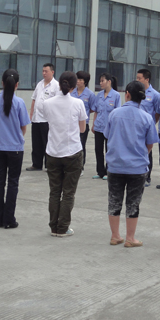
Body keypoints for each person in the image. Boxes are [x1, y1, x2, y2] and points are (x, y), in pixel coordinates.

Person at [104, 81, 158, 248]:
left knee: (114, 201)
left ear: (127, 94)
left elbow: (107, 135)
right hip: (137, 167)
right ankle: (130, 238)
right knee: (133, 203)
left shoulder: (114, 114)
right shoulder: (147, 117)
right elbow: (150, 143)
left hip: (115, 165)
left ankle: (115, 236)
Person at [42, 71, 87, 237]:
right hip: (72, 152)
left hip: (53, 152)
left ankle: (53, 227)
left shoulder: (47, 103)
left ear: (59, 84)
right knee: (68, 192)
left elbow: (48, 121)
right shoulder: (78, 103)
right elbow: (82, 129)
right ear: (74, 86)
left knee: (54, 191)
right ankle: (63, 227)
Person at [0, 69, 30, 229]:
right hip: (15, 148)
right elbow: (23, 127)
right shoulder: (19, 103)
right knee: (13, 182)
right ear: (16, 85)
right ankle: (9, 219)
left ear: (2, 83)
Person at [26, 63, 59, 171]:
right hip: (36, 119)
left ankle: (49, 165)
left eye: (46, 71)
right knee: (36, 143)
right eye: (43, 71)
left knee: (47, 143)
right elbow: (34, 99)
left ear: (52, 72)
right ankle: (36, 164)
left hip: (47, 120)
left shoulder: (56, 86)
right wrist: (31, 114)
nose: (44, 73)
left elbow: (58, 103)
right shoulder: (39, 84)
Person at [92, 73, 121, 180]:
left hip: (110, 128)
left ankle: (108, 172)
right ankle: (100, 171)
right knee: (98, 150)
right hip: (99, 127)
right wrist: (94, 124)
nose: (100, 83)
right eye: (100, 81)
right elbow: (96, 111)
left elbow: (117, 112)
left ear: (109, 81)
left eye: (102, 81)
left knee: (109, 150)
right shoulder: (99, 95)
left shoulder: (116, 95)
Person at [136, 69, 160, 187]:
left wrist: (152, 124)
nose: (137, 80)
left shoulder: (155, 95)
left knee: (147, 151)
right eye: (137, 78)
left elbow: (157, 112)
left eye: (139, 78)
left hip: (147, 127)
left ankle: (147, 177)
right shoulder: (136, 92)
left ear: (147, 79)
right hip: (136, 126)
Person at [71, 71, 97, 176]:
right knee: (72, 144)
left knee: (81, 145)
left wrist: (84, 113)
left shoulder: (90, 94)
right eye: (77, 79)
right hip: (72, 123)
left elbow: (93, 108)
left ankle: (80, 166)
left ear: (85, 82)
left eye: (81, 80)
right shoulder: (72, 92)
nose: (78, 81)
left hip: (83, 123)